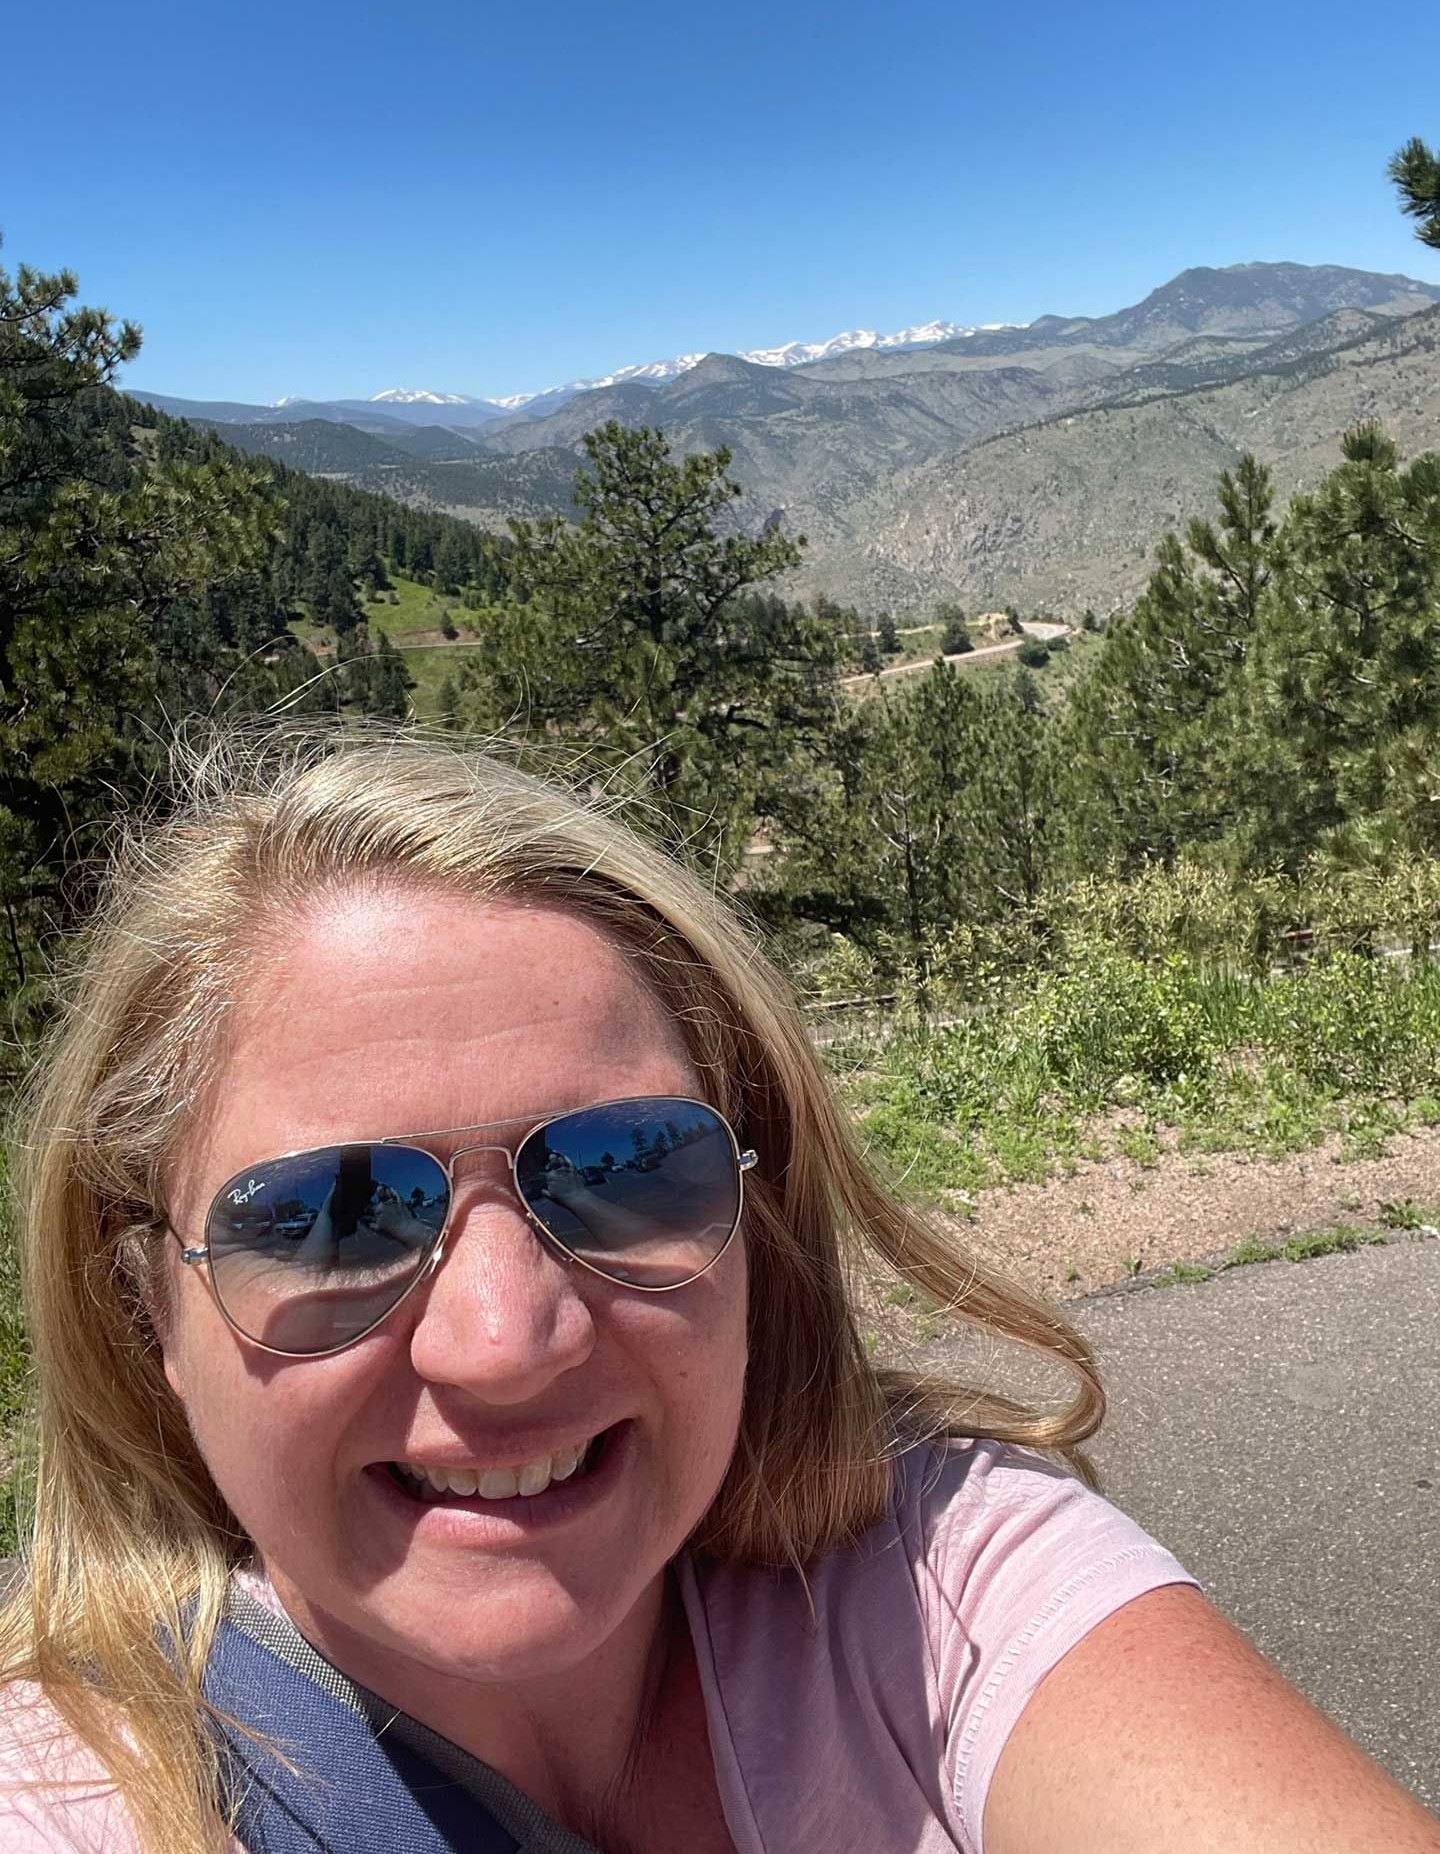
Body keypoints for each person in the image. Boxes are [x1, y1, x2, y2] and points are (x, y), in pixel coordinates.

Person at [1, 731, 1436, 1854]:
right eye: (328, 1215)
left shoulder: (927, 1576)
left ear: (754, 1217)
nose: (504, 1341)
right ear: (147, 1311)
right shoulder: (63, 1795)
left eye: (627, 1167)